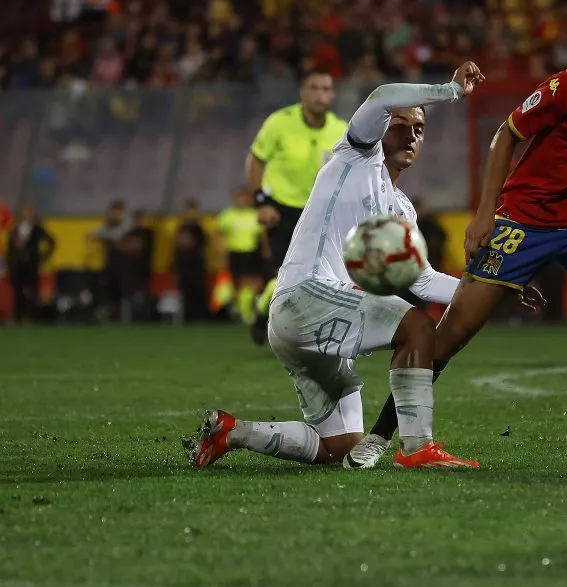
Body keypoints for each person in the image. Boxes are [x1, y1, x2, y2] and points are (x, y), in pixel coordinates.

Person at [352, 9, 567, 470]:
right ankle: (380, 437)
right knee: (449, 335)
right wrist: (486, 213)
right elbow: (506, 135)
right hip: (522, 221)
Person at [187, 62, 526, 470]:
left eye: (420, 130)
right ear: (381, 128)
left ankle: (232, 432)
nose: (412, 135)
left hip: (310, 327)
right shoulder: (356, 155)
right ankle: (417, 447)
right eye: (402, 124)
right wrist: (449, 91)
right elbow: (383, 96)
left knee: (339, 447)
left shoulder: (402, 210)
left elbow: (421, 281)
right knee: (417, 326)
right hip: (305, 297)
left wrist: (494, 287)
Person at [246, 70, 349, 345]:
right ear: (303, 92)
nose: (320, 94)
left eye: (326, 88)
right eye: (314, 88)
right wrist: (261, 201)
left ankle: (312, 329)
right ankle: (262, 313)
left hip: (320, 212)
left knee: (322, 273)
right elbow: (255, 160)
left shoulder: (340, 129)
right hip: (281, 208)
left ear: (332, 95)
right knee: (283, 272)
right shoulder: (279, 123)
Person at [215, 188, 265, 324]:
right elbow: (220, 235)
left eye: (244, 197)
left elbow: (262, 235)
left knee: (253, 283)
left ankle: (247, 312)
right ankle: (240, 311)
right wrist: (220, 254)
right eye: (239, 197)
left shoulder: (255, 214)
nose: (242, 200)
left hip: (251, 252)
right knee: (237, 283)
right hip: (234, 252)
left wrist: (265, 251)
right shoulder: (227, 215)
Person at [5, 204, 55, 323]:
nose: (27, 214)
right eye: (24, 211)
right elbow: (10, 248)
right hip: (17, 265)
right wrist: (9, 263)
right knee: (17, 291)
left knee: (33, 291)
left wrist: (42, 257)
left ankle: (33, 315)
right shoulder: (15, 228)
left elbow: (52, 242)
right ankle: (19, 317)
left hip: (31, 264)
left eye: (29, 211)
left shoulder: (37, 228)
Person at [87, 200, 128, 319]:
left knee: (121, 290)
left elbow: (117, 236)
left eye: (116, 213)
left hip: (125, 265)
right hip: (111, 264)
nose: (113, 215)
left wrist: (99, 236)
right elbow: (99, 232)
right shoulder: (108, 225)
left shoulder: (127, 224)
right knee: (107, 287)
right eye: (112, 213)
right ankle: (109, 313)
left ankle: (121, 315)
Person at [173, 199, 208, 322]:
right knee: (184, 291)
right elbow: (178, 246)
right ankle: (186, 317)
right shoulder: (181, 227)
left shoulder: (199, 228)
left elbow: (202, 246)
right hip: (183, 264)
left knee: (197, 291)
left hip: (196, 265)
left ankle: (198, 317)